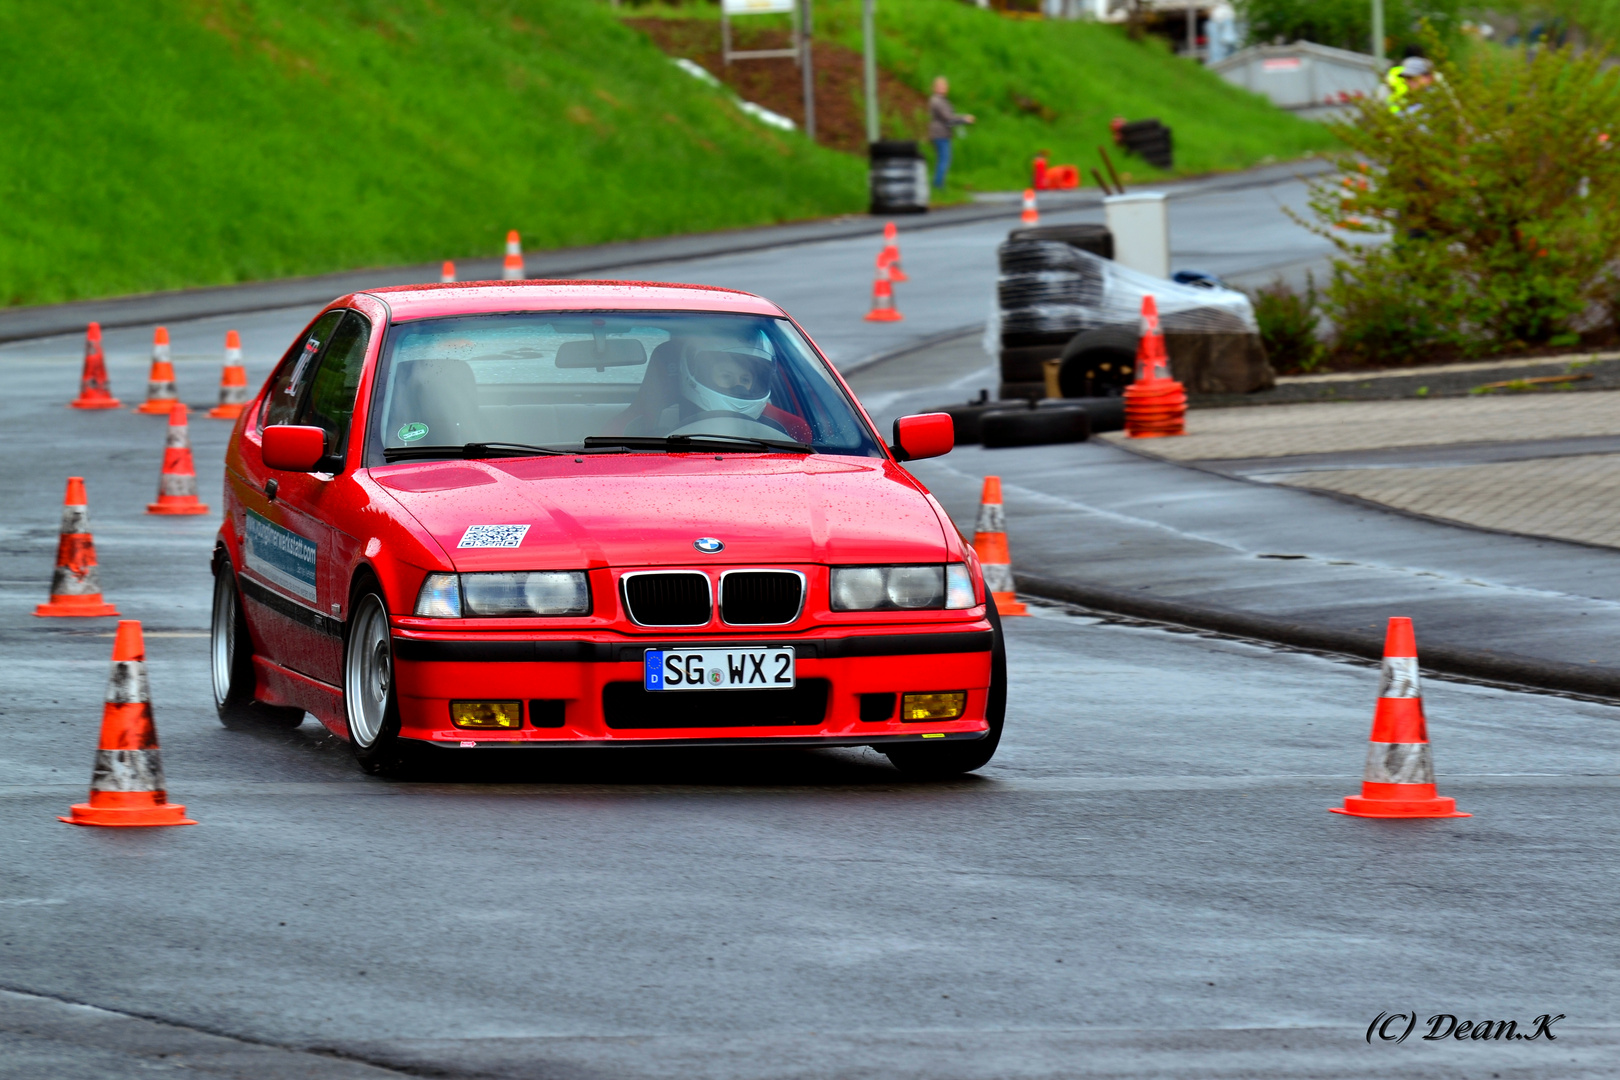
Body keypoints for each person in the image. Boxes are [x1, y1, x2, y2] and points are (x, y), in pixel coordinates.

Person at [927, 77, 975, 190]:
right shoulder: (937, 101)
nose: (942, 88)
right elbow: (948, 119)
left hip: (941, 133)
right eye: (939, 86)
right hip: (940, 134)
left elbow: (949, 119)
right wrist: (964, 119)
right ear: (934, 88)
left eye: (944, 86)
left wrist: (961, 120)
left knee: (943, 160)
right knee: (944, 160)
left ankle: (938, 184)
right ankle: (938, 186)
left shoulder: (941, 100)